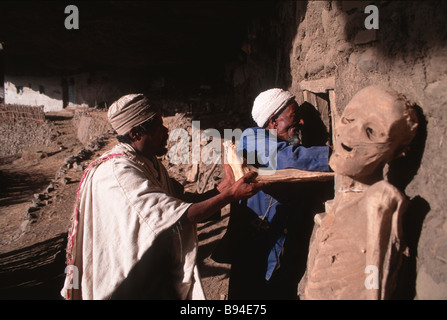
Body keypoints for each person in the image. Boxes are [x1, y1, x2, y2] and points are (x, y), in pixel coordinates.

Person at [60, 93, 263, 300]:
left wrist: (224, 186)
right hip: (127, 281)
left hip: (152, 273)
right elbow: (182, 215)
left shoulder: (145, 161)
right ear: (135, 134)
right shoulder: (118, 173)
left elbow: (181, 203)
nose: (166, 131)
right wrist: (230, 195)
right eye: (158, 125)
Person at [214, 88, 332, 299]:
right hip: (253, 251)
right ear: (273, 121)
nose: (302, 123)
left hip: (277, 252)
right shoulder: (253, 139)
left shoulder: (280, 141)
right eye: (295, 117)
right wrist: (336, 155)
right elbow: (289, 159)